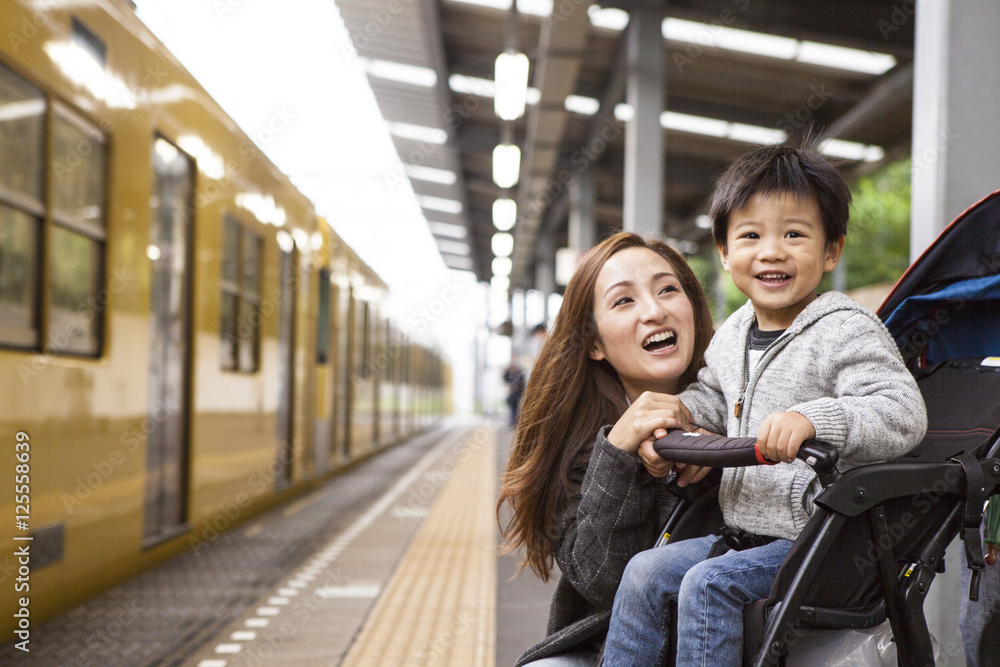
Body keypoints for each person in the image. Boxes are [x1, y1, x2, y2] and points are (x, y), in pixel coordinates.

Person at [603, 145, 929, 666]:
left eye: (794, 234)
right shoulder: (734, 333)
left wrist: (813, 418)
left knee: (708, 586)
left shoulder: (846, 328)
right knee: (646, 570)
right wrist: (676, 422)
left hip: (825, 542)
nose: (772, 251)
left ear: (831, 251)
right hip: (745, 538)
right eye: (751, 235)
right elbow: (711, 394)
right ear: (725, 253)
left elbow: (900, 411)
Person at [497, 232, 716, 666]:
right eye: (623, 301)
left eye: (668, 289)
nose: (654, 311)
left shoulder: (750, 402)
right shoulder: (573, 452)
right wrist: (617, 453)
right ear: (594, 343)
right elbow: (603, 582)